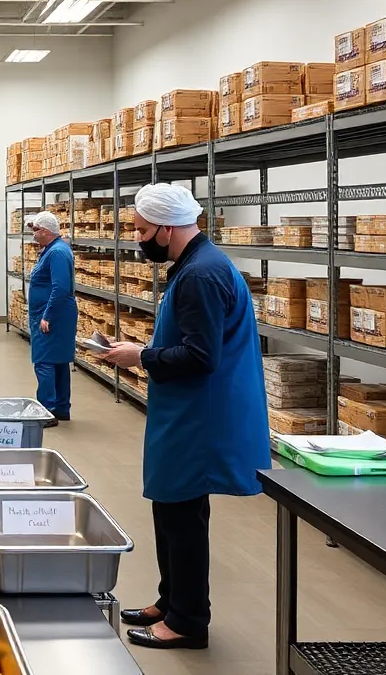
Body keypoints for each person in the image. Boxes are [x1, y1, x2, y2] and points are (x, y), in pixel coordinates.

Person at [100, 183, 270, 651]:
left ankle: (189, 621)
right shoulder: (195, 264)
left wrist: (142, 356)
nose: (137, 239)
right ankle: (170, 600)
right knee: (170, 505)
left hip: (201, 416)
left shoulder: (201, 275)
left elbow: (200, 356)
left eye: (140, 231)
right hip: (185, 410)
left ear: (165, 227)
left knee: (183, 514)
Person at [26, 210, 78, 428]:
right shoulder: (52, 249)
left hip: (52, 315)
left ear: (46, 231)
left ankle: (45, 410)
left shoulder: (57, 253)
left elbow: (60, 287)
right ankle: (61, 408)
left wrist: (48, 315)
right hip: (54, 313)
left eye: (36, 230)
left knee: (44, 362)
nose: (33, 234)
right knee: (58, 361)